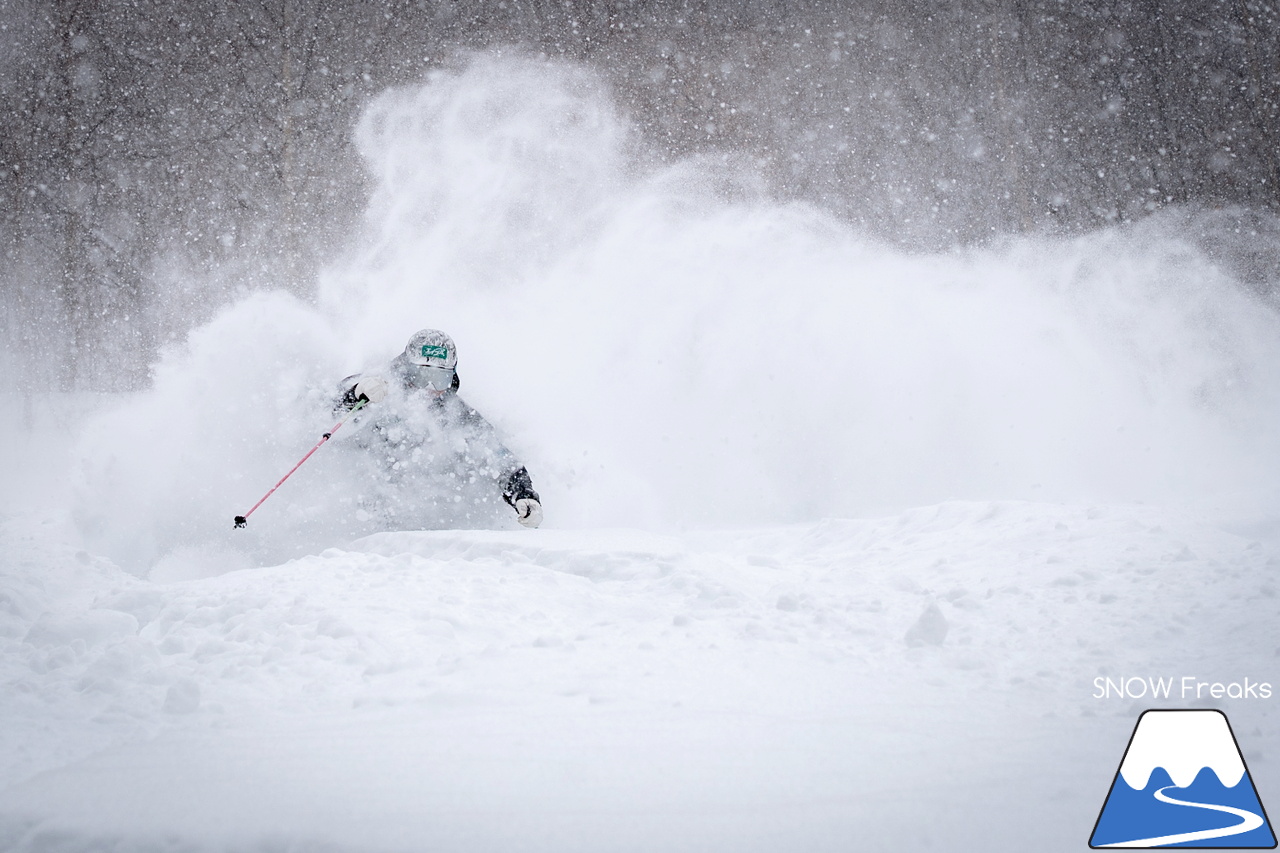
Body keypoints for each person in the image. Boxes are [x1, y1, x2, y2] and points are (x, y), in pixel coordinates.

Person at [333, 329, 543, 529]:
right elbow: (320, 417)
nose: (430, 388)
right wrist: (353, 396)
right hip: (351, 500)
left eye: (440, 379)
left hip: (409, 516)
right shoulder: (374, 386)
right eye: (422, 377)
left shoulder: (456, 414)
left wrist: (523, 494)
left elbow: (498, 458)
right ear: (405, 369)